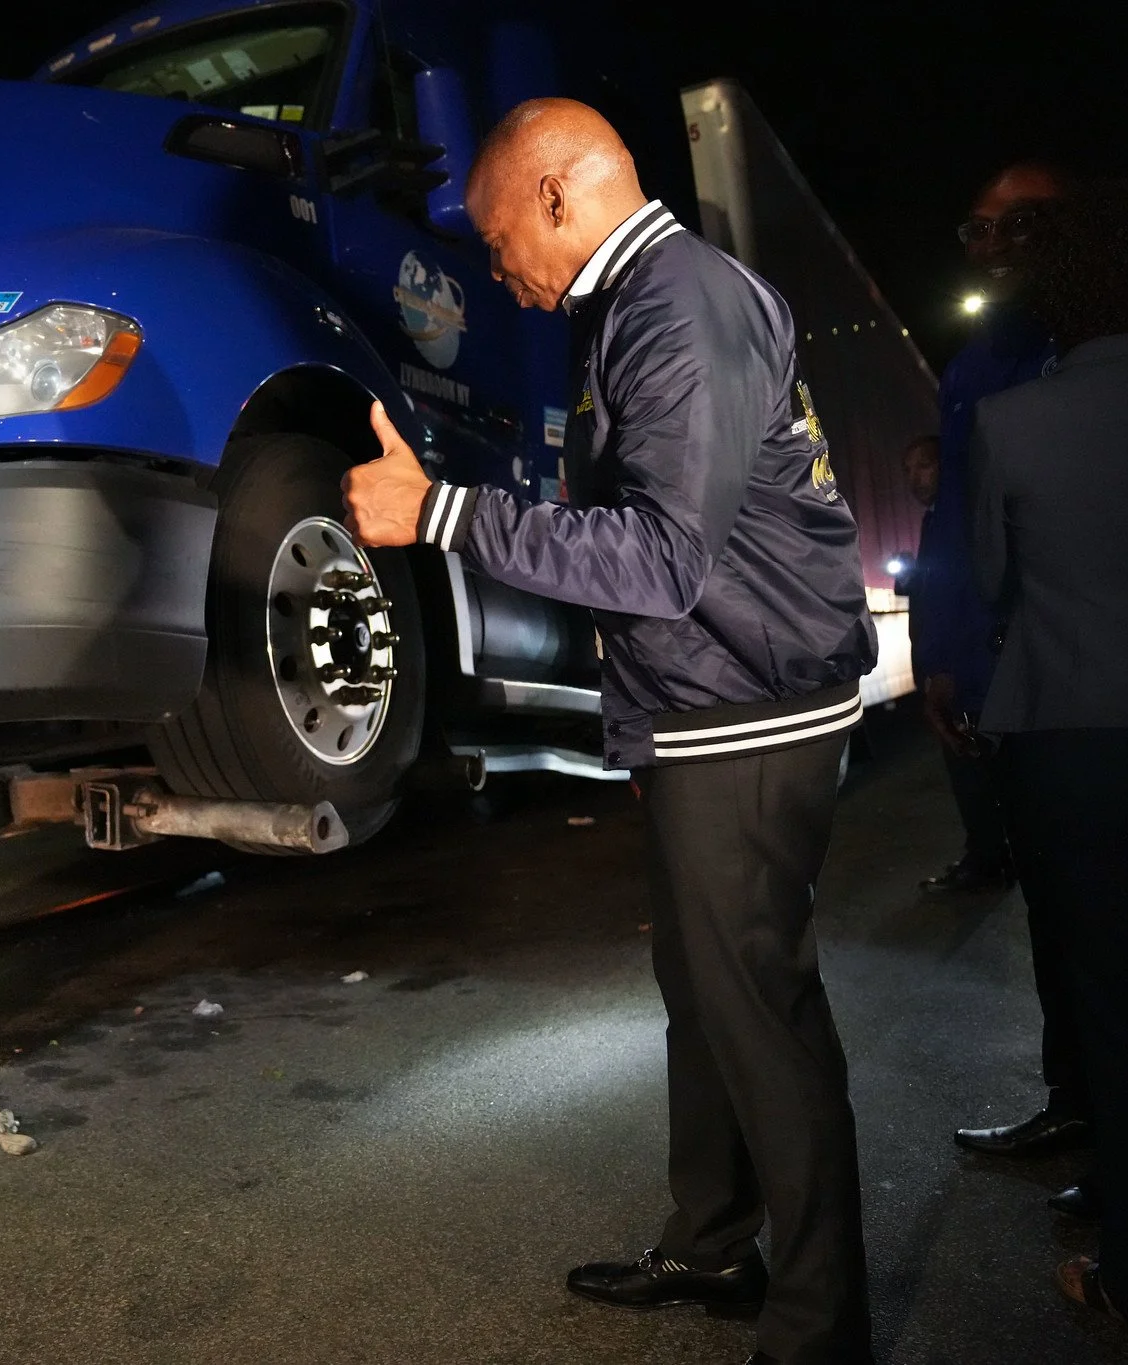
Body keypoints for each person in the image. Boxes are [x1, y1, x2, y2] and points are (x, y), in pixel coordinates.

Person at [344, 98, 876, 1365]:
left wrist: (443, 517)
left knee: (755, 1010)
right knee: (703, 993)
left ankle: (818, 1328)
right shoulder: (637, 303)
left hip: (747, 706)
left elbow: (661, 562)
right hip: (710, 705)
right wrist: (645, 728)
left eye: (490, 239)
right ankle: (712, 1244)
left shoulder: (674, 308)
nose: (492, 269)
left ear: (554, 194)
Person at [970, 177, 1128, 1358]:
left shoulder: (1014, 424)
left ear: (1053, 299)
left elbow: (997, 577)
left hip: (1082, 742)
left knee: (1127, 1019)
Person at [939, 165, 1098, 1167]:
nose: (993, 247)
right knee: (1059, 909)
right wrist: (943, 651)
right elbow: (955, 528)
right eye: (979, 228)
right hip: (1033, 681)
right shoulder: (977, 366)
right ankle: (1079, 1104)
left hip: (1118, 680)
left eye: (1019, 226)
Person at [902, 431, 1012, 896]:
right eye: (907, 470)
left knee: (974, 770)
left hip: (964, 676)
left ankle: (990, 862)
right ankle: (992, 857)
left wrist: (945, 670)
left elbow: (962, 600)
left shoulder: (959, 522)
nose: (914, 477)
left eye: (924, 465)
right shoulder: (936, 523)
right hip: (952, 673)